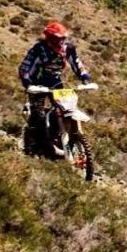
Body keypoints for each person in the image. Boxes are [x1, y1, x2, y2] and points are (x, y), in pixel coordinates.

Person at [18, 21, 92, 156]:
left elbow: (76, 63)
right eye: (58, 38)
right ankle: (32, 147)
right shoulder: (39, 49)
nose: (60, 42)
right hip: (37, 84)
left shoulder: (68, 48)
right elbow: (25, 67)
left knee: (65, 109)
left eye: (63, 38)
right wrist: (28, 83)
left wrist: (85, 77)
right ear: (50, 38)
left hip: (55, 83)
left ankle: (58, 140)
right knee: (37, 115)